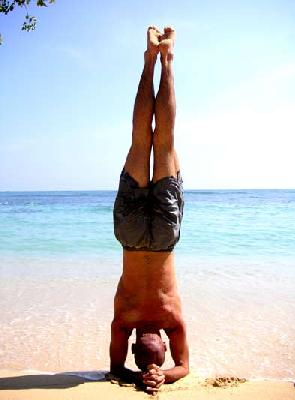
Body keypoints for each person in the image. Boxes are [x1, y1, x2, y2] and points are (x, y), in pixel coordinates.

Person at [110, 26, 189, 394]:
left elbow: (182, 366)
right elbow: (181, 367)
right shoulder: (122, 323)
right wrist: (152, 375)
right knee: (146, 141)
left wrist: (152, 375)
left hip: (158, 239)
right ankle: (156, 60)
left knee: (160, 140)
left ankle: (164, 59)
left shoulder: (171, 321)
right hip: (132, 237)